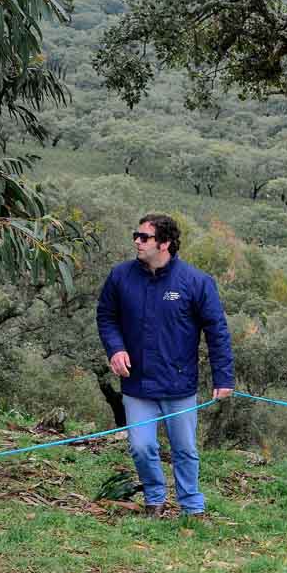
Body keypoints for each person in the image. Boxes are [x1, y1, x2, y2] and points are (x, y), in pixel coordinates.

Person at [96, 214, 235, 517]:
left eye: (143, 237)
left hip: (179, 385)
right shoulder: (120, 277)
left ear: (165, 243)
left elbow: (217, 332)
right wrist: (116, 349)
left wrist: (224, 378)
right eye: (136, 235)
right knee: (142, 447)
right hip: (137, 383)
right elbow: (106, 317)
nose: (136, 241)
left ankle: (191, 507)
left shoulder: (196, 282)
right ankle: (155, 499)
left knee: (184, 449)